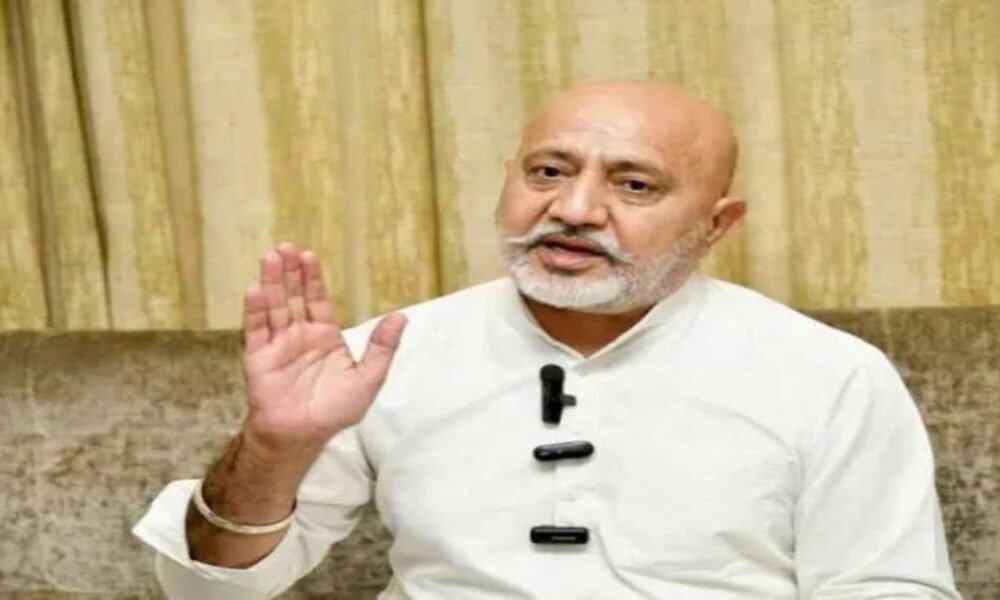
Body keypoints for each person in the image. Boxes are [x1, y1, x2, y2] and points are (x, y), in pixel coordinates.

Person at [134, 80, 960, 599]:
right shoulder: (384, 356)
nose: (573, 209)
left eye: (634, 184)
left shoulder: (828, 374)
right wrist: (272, 448)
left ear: (716, 225)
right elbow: (206, 590)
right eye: (549, 171)